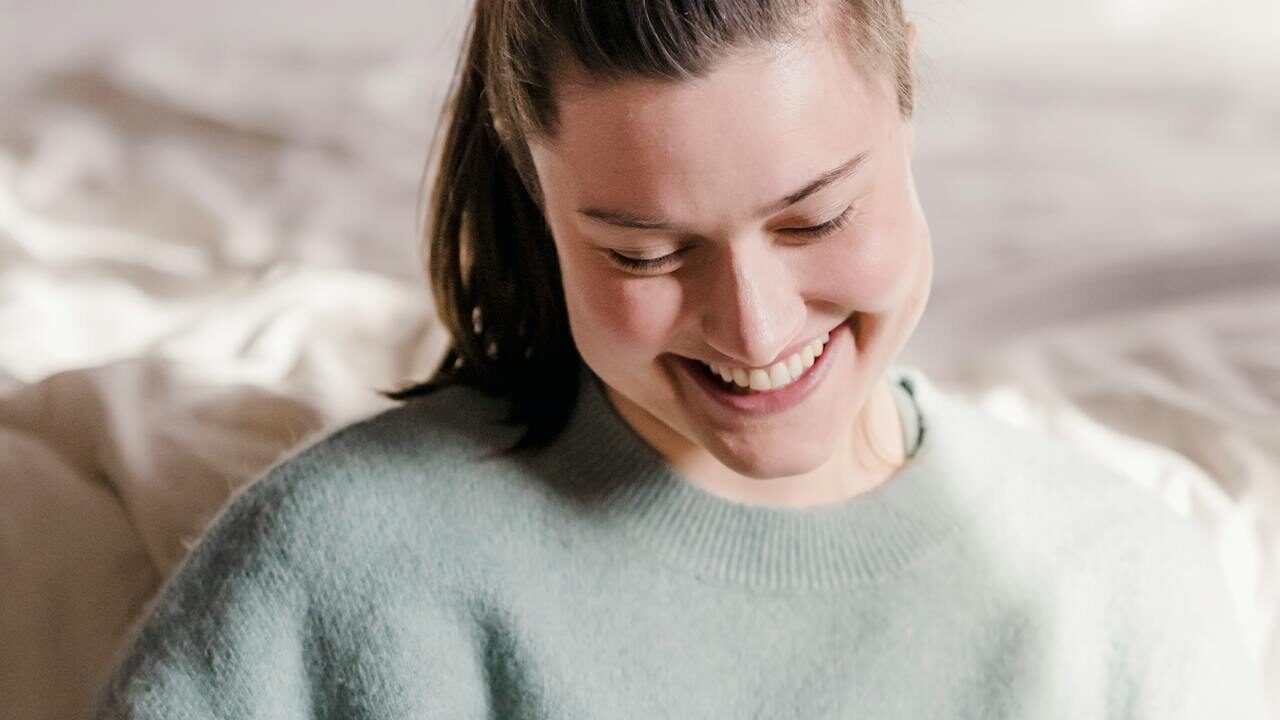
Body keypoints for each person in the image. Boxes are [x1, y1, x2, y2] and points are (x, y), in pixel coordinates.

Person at [92, 0, 1268, 717]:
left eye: (812, 222)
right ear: (528, 175)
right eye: (646, 253)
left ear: (905, 85)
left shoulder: (1118, 591)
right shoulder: (346, 571)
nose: (754, 329)